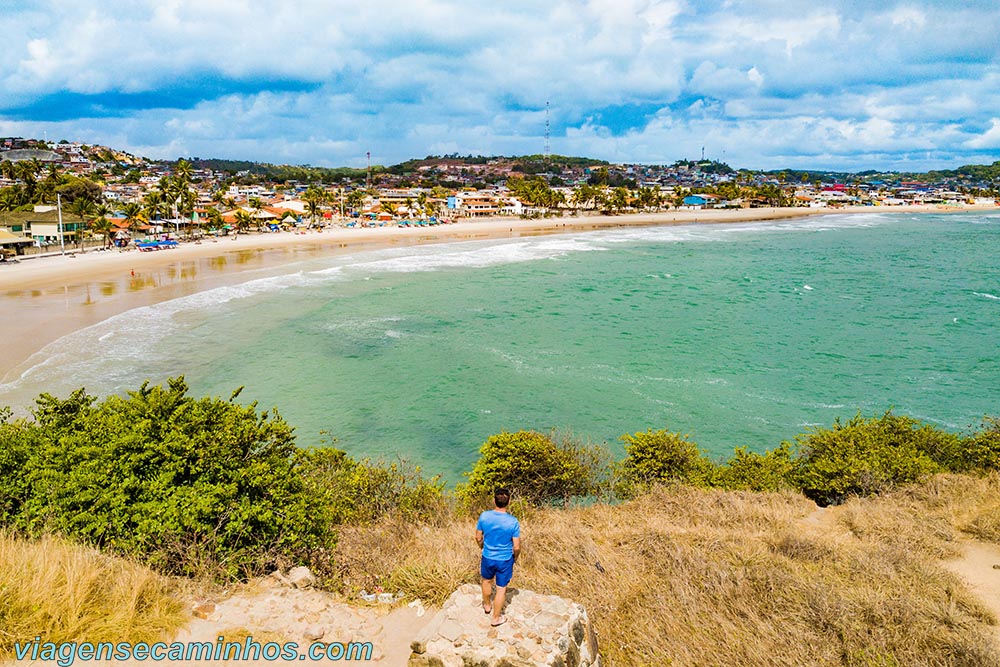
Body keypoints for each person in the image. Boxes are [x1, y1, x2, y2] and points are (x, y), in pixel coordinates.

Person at [476, 488, 521, 627]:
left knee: (486, 581)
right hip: (505, 559)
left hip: (488, 556)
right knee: (501, 589)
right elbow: (517, 546)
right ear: (509, 502)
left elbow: (478, 537)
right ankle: (496, 618)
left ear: (494, 500)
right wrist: (515, 557)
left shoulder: (484, 516)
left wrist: (483, 547)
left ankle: (487, 605)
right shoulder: (513, 522)